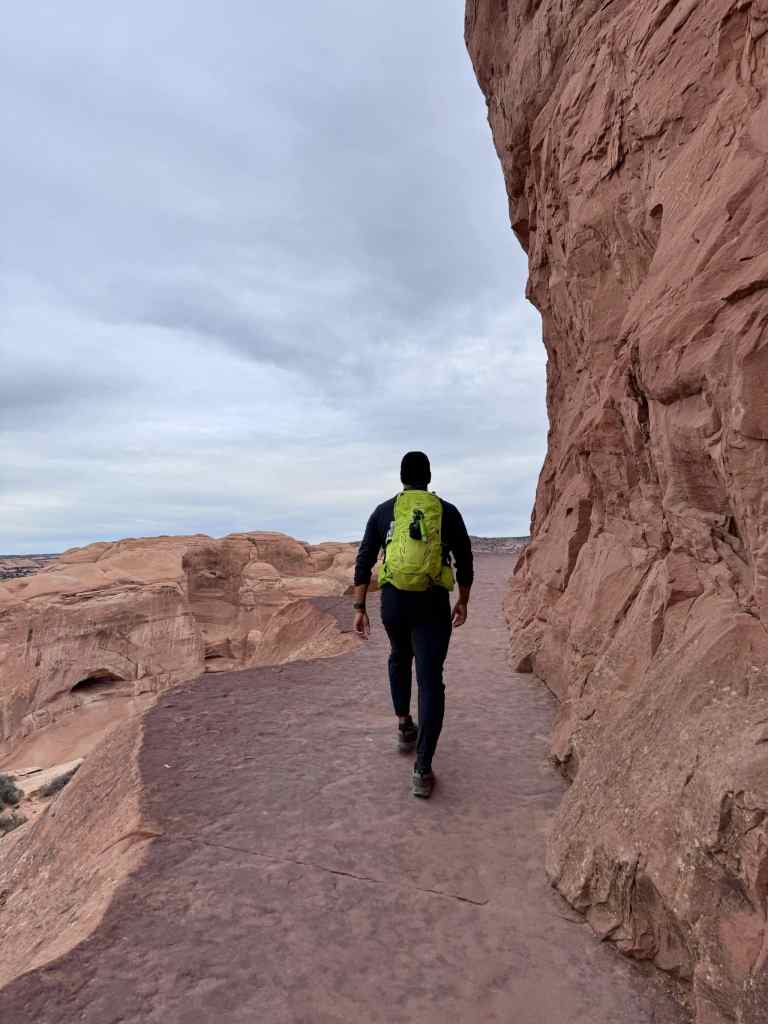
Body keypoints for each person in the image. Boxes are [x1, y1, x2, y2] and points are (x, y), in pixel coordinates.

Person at [352, 451, 474, 798]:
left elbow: (364, 560)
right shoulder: (446, 512)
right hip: (433, 602)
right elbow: (465, 560)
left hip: (394, 602)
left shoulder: (383, 511)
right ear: (429, 477)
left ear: (402, 477)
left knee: (398, 655)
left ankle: (405, 725)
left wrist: (360, 606)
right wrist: (463, 601)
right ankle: (422, 769)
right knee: (431, 680)